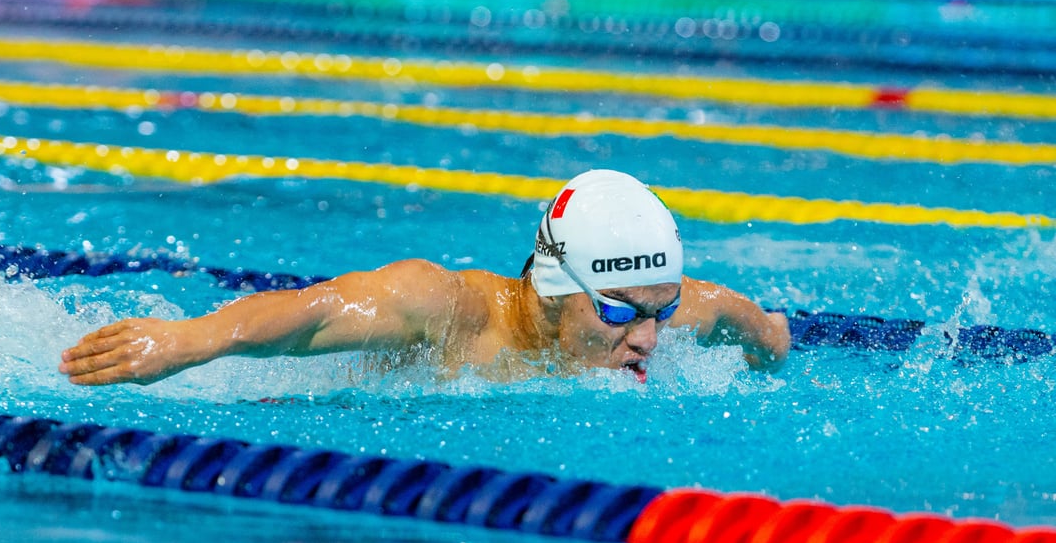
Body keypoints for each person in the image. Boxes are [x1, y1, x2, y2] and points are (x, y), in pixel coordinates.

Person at [59, 169, 790, 386]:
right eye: (616, 313)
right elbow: (313, 313)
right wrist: (187, 341)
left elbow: (738, 319)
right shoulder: (444, 310)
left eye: (658, 314)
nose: (648, 339)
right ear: (551, 285)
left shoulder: (659, 307)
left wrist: (770, 343)